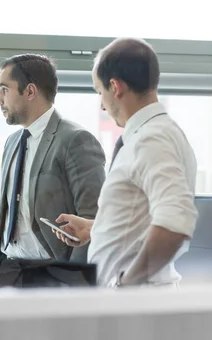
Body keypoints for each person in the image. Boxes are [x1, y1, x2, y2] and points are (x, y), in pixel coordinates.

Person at [52, 38, 198, 287]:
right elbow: (142, 216)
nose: (102, 105)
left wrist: (127, 284)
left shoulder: (152, 140)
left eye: (100, 92)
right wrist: (95, 228)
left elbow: (175, 222)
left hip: (138, 300)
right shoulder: (155, 134)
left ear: (115, 87)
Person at [0, 54, 106, 262]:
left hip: (51, 277)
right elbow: (6, 215)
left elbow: (93, 219)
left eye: (4, 90)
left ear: (30, 91)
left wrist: (75, 281)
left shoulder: (76, 141)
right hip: (9, 268)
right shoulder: (12, 143)